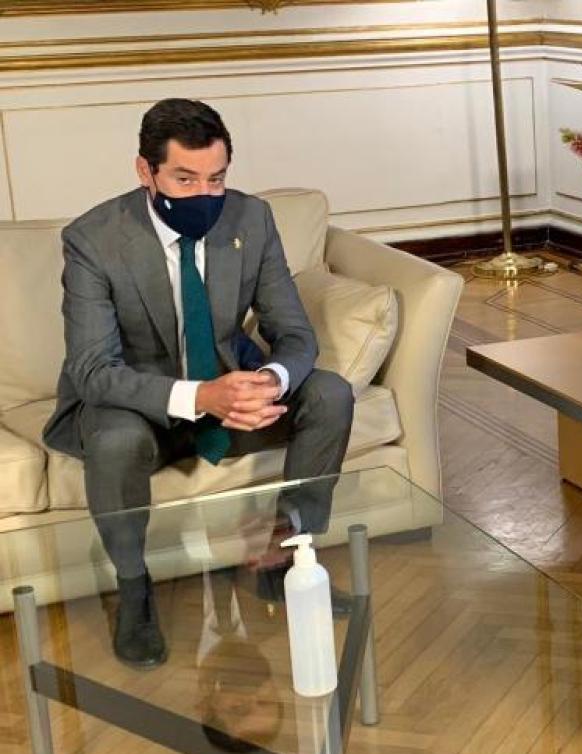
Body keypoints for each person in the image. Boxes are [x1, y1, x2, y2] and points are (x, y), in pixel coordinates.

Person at [43, 98, 354, 669]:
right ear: (146, 171)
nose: (203, 195)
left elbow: (295, 336)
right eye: (185, 179)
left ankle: (287, 556)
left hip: (226, 395)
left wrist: (263, 381)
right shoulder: (93, 239)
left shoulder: (250, 218)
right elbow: (92, 370)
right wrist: (201, 396)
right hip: (139, 406)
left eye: (216, 178)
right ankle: (133, 591)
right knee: (113, 440)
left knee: (331, 392)